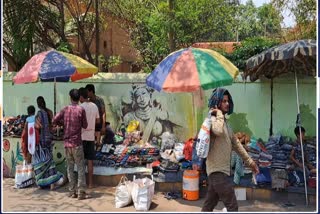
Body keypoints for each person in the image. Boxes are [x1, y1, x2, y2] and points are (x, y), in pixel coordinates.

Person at [193, 88, 259, 212]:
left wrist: (250, 162)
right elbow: (217, 131)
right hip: (217, 172)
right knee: (232, 206)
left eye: (227, 101)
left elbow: (237, 144)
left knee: (208, 206)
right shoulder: (213, 119)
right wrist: (217, 113)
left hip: (220, 172)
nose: (227, 103)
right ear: (217, 102)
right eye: (223, 101)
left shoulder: (226, 124)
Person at [53, 89, 88, 200]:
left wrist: (62, 123)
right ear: (79, 98)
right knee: (81, 168)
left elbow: (54, 120)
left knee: (70, 168)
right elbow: (85, 125)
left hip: (67, 144)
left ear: (70, 97)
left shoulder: (65, 109)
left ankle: (72, 191)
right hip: (77, 143)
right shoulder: (81, 110)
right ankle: (81, 193)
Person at [33, 97, 64, 190]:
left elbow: (38, 126)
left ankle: (42, 182)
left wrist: (34, 124)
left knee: (42, 162)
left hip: (42, 140)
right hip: (49, 139)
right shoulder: (50, 112)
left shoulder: (39, 113)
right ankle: (51, 184)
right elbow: (53, 126)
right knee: (50, 161)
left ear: (38, 104)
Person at [79, 87, 99, 189]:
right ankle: (91, 184)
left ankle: (82, 184)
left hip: (82, 136)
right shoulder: (94, 106)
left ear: (81, 97)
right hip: (91, 136)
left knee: (81, 161)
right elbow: (97, 121)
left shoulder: (80, 107)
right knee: (90, 161)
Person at [85, 84, 106, 148]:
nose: (86, 94)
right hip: (91, 126)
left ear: (91, 91)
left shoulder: (99, 100)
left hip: (99, 125)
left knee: (98, 144)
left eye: (87, 92)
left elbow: (103, 113)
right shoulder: (87, 102)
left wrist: (103, 126)